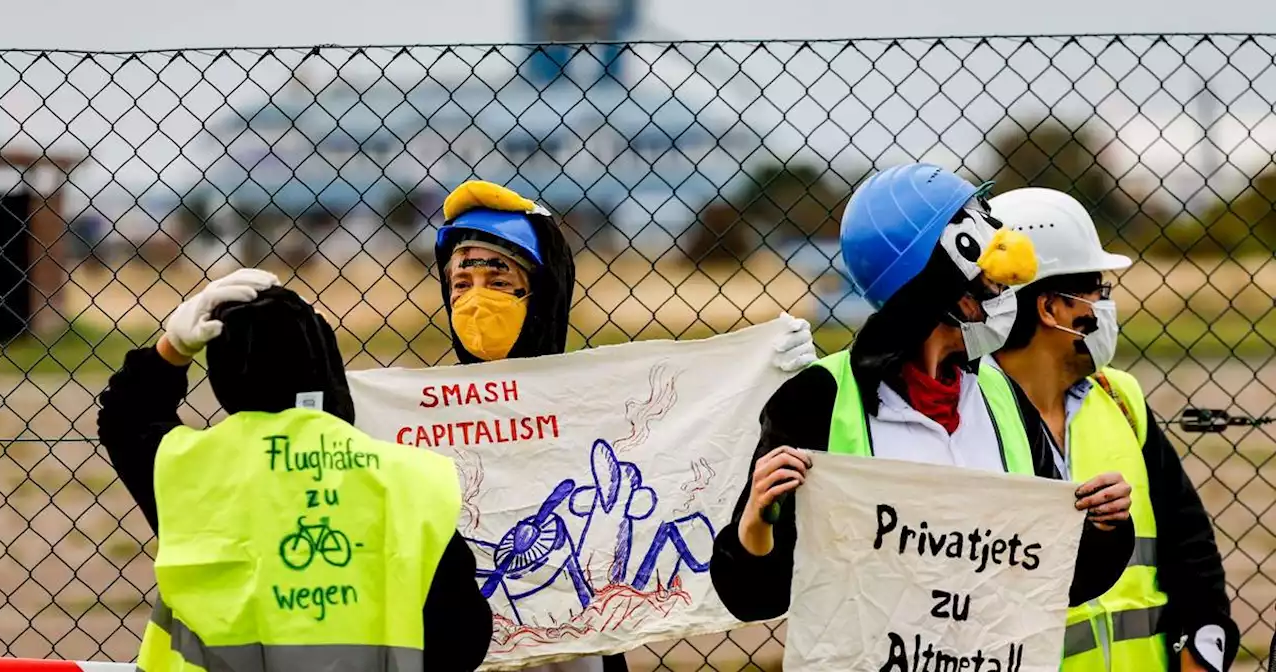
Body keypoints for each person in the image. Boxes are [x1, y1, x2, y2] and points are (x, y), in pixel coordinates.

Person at [709, 163, 1137, 625]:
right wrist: (755, 523)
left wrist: (1105, 526)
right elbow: (753, 598)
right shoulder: (818, 400)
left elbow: (1061, 579)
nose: (1005, 297)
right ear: (938, 287)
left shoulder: (1002, 397)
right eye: (990, 283)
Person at [433, 180, 818, 672]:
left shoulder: (600, 402)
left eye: (499, 282)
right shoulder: (424, 418)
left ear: (544, 288)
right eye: (460, 285)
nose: (475, 301)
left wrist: (771, 377)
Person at [96, 270, 492, 671]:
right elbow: (463, 636)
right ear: (326, 365)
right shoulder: (410, 479)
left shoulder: (187, 468)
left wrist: (174, 348)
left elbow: (124, 417)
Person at [988, 187, 1237, 672]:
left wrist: (1202, 646)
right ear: (1051, 307)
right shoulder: (967, 417)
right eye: (1097, 290)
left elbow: (1189, 544)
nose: (1106, 304)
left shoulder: (1120, 398)